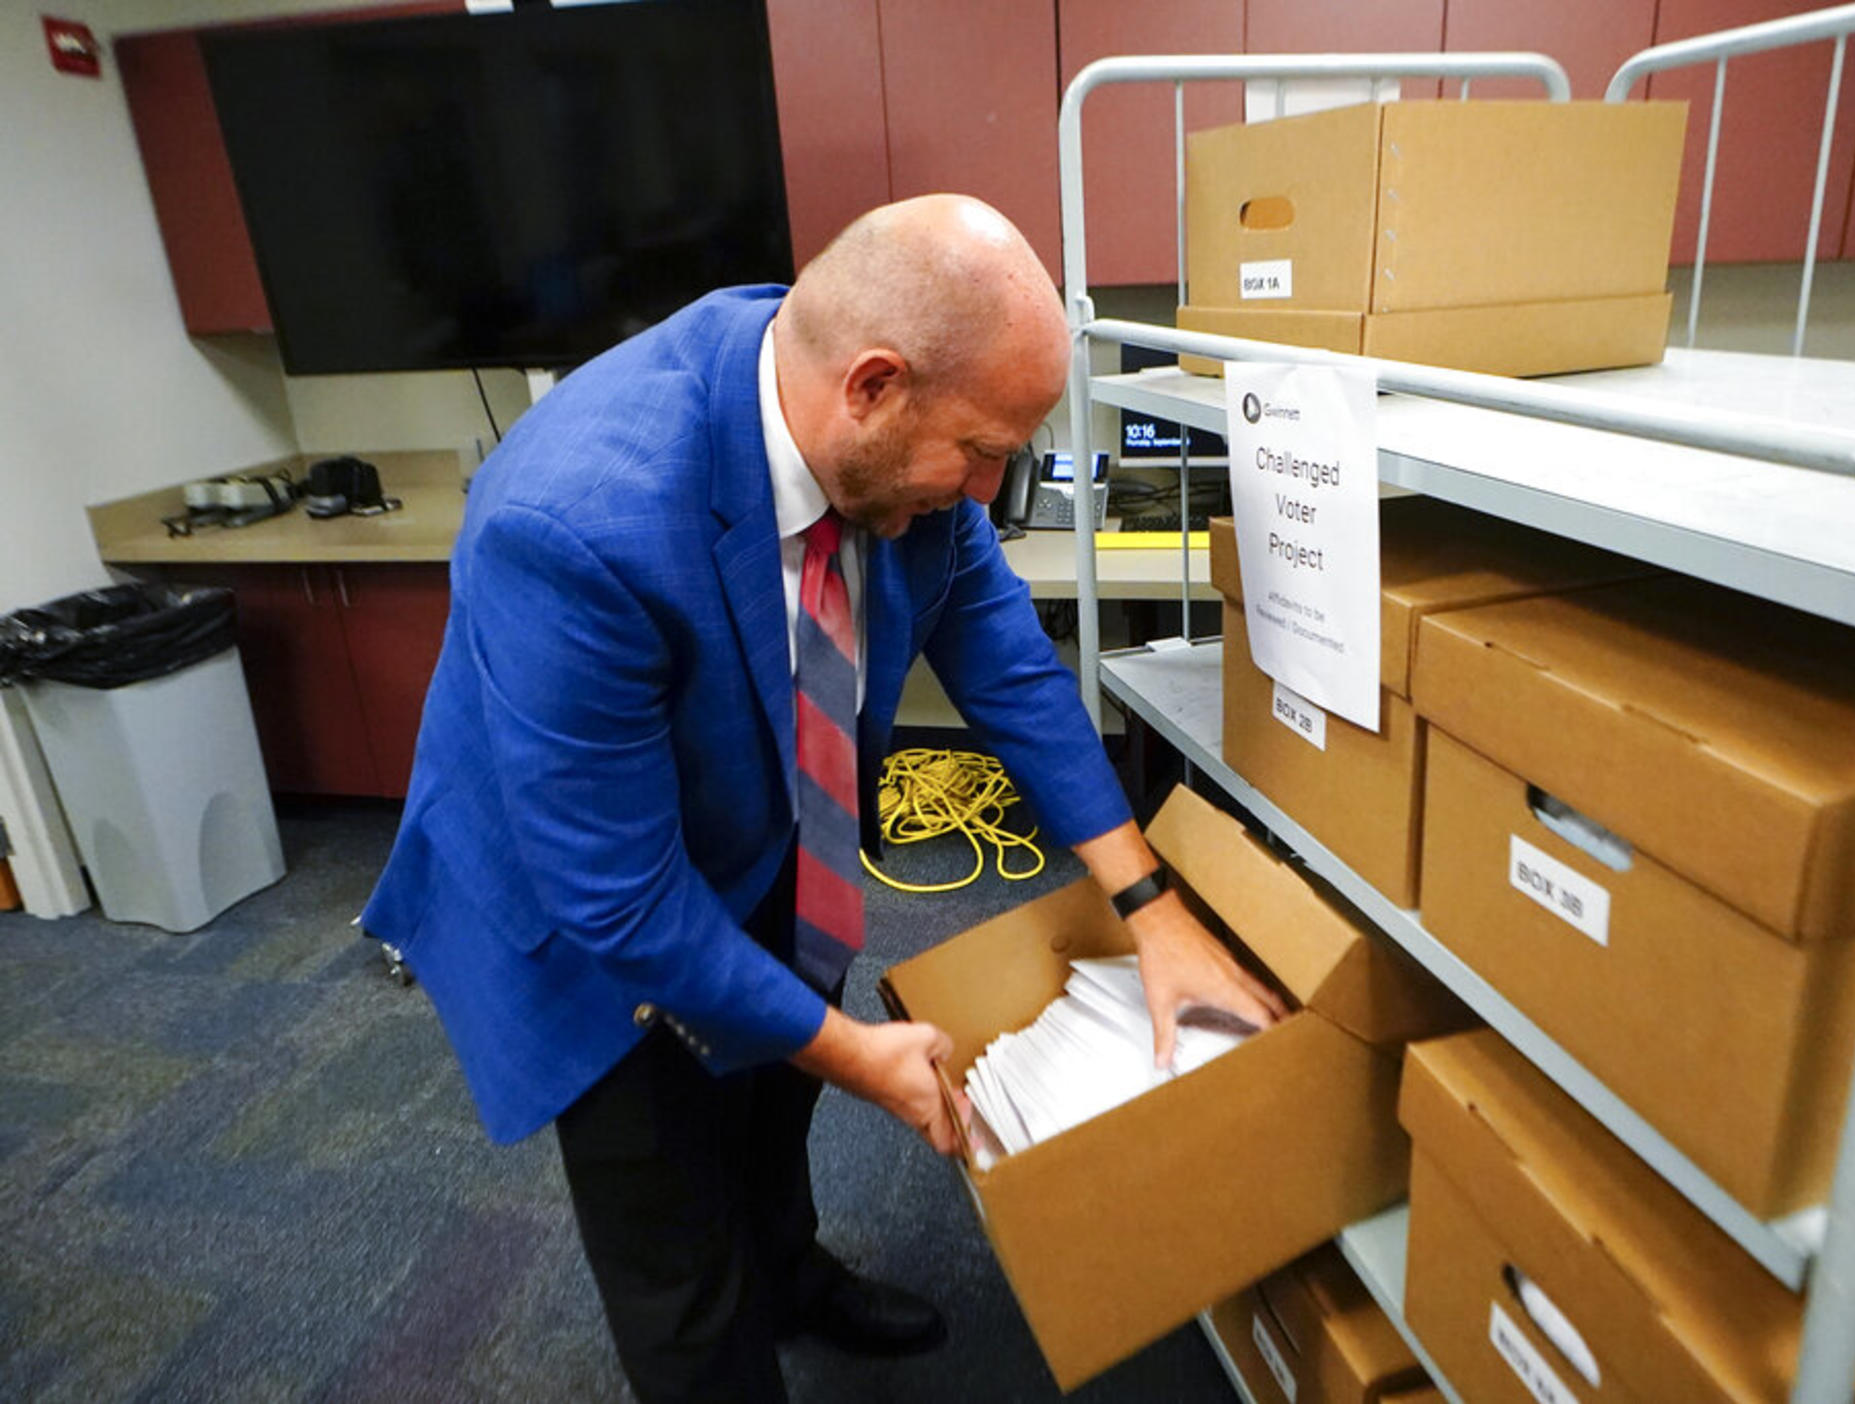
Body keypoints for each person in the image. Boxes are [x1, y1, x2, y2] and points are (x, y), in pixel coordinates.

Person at [359, 194, 1285, 1403]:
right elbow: (624, 902)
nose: (995, 489)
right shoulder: (572, 522)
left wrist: (1152, 910)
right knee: (673, 1225)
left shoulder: (880, 437)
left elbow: (1005, 664)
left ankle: (792, 1273)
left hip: (781, 815)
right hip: (584, 895)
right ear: (873, 386)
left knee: (771, 1110)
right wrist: (856, 1055)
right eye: (985, 452)